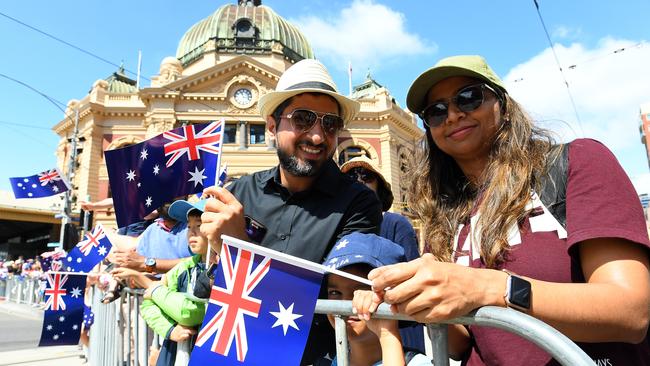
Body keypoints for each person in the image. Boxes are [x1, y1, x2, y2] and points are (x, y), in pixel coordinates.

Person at [361, 55, 650, 365]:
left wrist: (492, 287)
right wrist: (400, 302)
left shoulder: (577, 162)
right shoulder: (444, 215)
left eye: (469, 97)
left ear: (502, 104)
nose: (454, 115)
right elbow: (461, 342)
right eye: (436, 111)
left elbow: (631, 312)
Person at [199, 58, 383, 364]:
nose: (317, 136)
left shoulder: (359, 203)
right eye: (302, 119)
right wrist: (217, 250)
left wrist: (239, 249)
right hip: (233, 353)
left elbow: (345, 299)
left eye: (330, 124)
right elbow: (207, 287)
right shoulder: (241, 193)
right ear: (272, 126)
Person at [112, 199, 214, 366]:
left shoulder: (221, 271)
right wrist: (170, 330)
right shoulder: (183, 267)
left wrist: (152, 287)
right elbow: (147, 306)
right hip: (174, 352)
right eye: (189, 227)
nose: (192, 232)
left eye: (199, 225)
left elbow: (189, 312)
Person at [340, 156, 424, 352]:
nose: (359, 179)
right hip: (354, 341)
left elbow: (415, 278)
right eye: (351, 176)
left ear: (379, 187)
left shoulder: (396, 224)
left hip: (400, 331)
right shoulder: (337, 229)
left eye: (366, 175)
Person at [315, 232, 430, 366]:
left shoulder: (418, 363)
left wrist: (386, 334)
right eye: (335, 292)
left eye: (361, 291)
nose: (346, 303)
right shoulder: (325, 362)